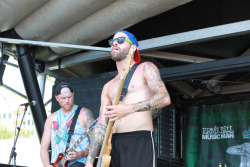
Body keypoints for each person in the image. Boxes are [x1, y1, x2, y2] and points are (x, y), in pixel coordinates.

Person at [86, 30, 171, 167]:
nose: (114, 43)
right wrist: (90, 161)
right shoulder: (107, 86)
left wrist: (130, 108)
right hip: (113, 145)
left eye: (120, 40)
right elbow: (102, 124)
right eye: (112, 41)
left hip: (139, 140)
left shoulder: (145, 68)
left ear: (133, 47)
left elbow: (164, 98)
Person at [40, 82, 96, 167]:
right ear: (56, 98)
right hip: (57, 164)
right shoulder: (51, 118)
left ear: (73, 95)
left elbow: (96, 143)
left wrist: (80, 154)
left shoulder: (84, 114)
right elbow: (43, 148)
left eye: (69, 97)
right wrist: (47, 165)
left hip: (79, 163)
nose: (67, 101)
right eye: (63, 98)